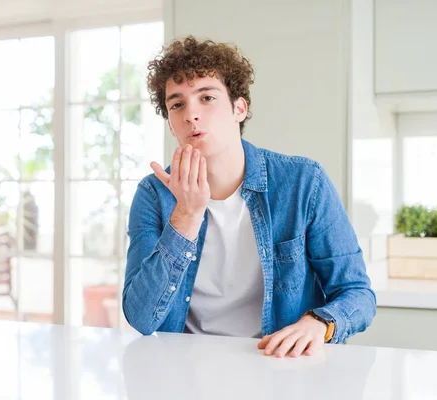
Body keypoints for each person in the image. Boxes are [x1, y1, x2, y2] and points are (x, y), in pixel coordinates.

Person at [122, 35, 376, 358]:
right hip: (183, 370)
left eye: (207, 98)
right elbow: (141, 318)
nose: (191, 115)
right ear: (171, 125)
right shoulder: (153, 195)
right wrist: (185, 217)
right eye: (177, 104)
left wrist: (318, 323)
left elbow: (357, 294)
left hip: (275, 365)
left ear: (239, 108)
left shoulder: (303, 183)